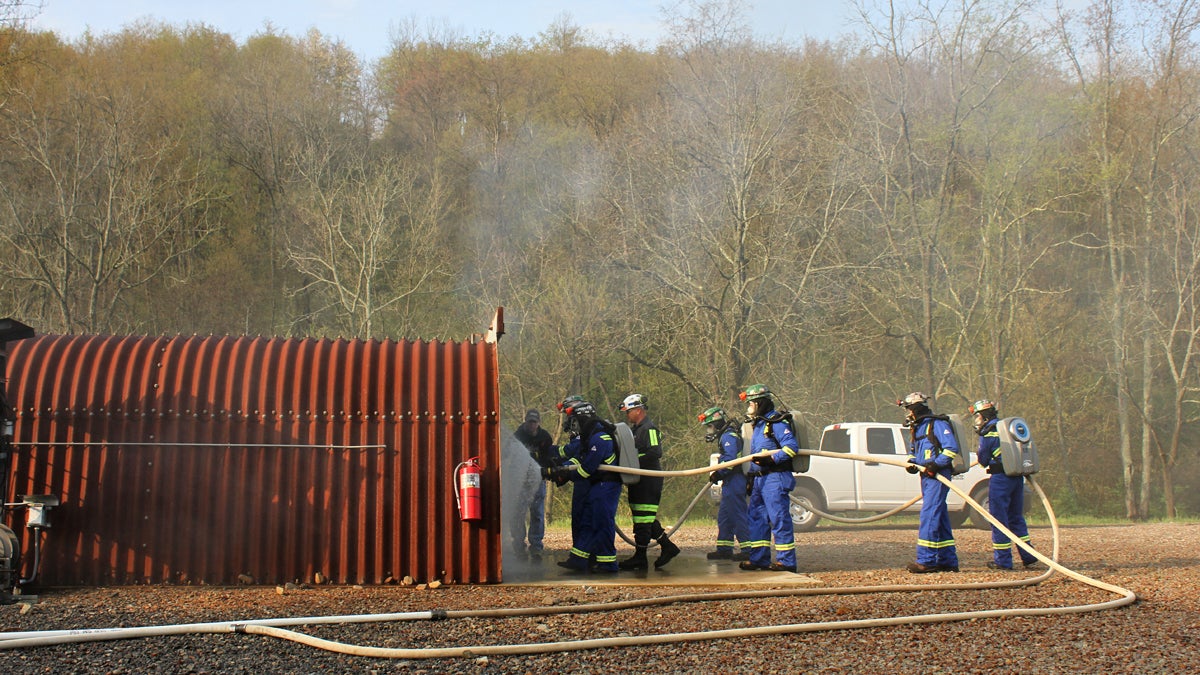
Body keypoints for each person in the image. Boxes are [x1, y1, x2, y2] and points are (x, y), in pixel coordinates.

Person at [543, 397, 622, 573]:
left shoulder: (600, 437)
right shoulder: (590, 436)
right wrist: (560, 470)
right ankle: (578, 559)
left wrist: (565, 474)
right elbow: (579, 459)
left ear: (584, 419)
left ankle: (608, 564)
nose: (575, 426)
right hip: (596, 487)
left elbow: (587, 468)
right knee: (587, 522)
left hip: (606, 486)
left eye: (577, 422)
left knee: (602, 524)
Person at [738, 384, 800, 573]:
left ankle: (787, 561)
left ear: (759, 403)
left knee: (779, 518)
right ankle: (759, 559)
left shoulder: (776, 423)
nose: (748, 407)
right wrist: (751, 476)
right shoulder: (758, 425)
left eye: (751, 403)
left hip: (775, 478)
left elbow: (791, 447)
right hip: (759, 480)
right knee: (756, 518)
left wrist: (772, 459)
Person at [969, 400, 1038, 570]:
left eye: (977, 416)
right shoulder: (1007, 429)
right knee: (1016, 517)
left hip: (1000, 478)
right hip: (1016, 477)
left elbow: (983, 459)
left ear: (984, 416)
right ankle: (1028, 556)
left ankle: (1003, 561)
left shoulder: (989, 433)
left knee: (998, 519)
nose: (977, 419)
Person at [616, 393, 681, 570]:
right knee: (643, 519)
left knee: (643, 521)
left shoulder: (649, 429)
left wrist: (633, 462)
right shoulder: (636, 430)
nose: (627, 415)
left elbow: (655, 452)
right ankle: (668, 547)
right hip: (639, 480)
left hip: (649, 480)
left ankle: (641, 558)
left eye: (629, 411)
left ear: (638, 410)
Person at [899, 391, 960, 573]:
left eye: (909, 409)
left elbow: (951, 448)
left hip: (938, 476)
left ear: (916, 408)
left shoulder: (937, 424)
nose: (908, 414)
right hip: (926, 475)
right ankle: (948, 560)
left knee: (930, 514)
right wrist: (912, 462)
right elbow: (914, 450)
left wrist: (936, 464)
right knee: (939, 516)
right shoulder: (918, 428)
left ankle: (926, 560)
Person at [698, 406, 750, 561]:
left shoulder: (729, 437)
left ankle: (748, 549)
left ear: (718, 424)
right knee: (725, 516)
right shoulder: (725, 436)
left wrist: (718, 473)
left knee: (738, 515)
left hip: (735, 480)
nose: (709, 430)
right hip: (729, 481)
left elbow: (731, 460)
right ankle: (724, 548)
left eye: (710, 426)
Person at [511, 409, 556, 559]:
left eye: (534, 422)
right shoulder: (517, 436)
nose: (532, 425)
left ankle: (536, 545)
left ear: (538, 423)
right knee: (519, 513)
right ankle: (518, 544)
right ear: (525, 421)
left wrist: (550, 470)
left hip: (538, 480)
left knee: (537, 513)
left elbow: (550, 457)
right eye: (529, 422)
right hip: (520, 480)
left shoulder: (545, 437)